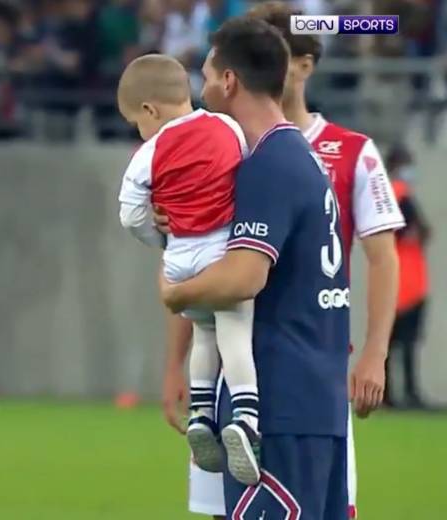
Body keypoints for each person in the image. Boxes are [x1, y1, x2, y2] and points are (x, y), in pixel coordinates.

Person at [164, 3, 408, 517]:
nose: (201, 89)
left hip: (276, 400)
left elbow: (243, 277)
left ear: (229, 80)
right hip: (314, 392)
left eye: (206, 75)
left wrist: (176, 294)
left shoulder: (275, 162)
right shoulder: (296, 157)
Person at [115, 54, 261, 485]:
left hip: (180, 256)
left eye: (135, 123)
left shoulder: (152, 150)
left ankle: (201, 414)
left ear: (149, 111)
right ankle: (246, 419)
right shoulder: (227, 127)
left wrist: (157, 239)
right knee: (234, 331)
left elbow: (129, 213)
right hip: (221, 248)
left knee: (203, 333)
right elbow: (245, 171)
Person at [385, 145, 430, 409]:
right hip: (407, 282)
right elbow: (416, 230)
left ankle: (391, 393)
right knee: (404, 343)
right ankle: (405, 393)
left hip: (402, 279)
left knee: (395, 344)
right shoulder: (401, 196)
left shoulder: (387, 197)